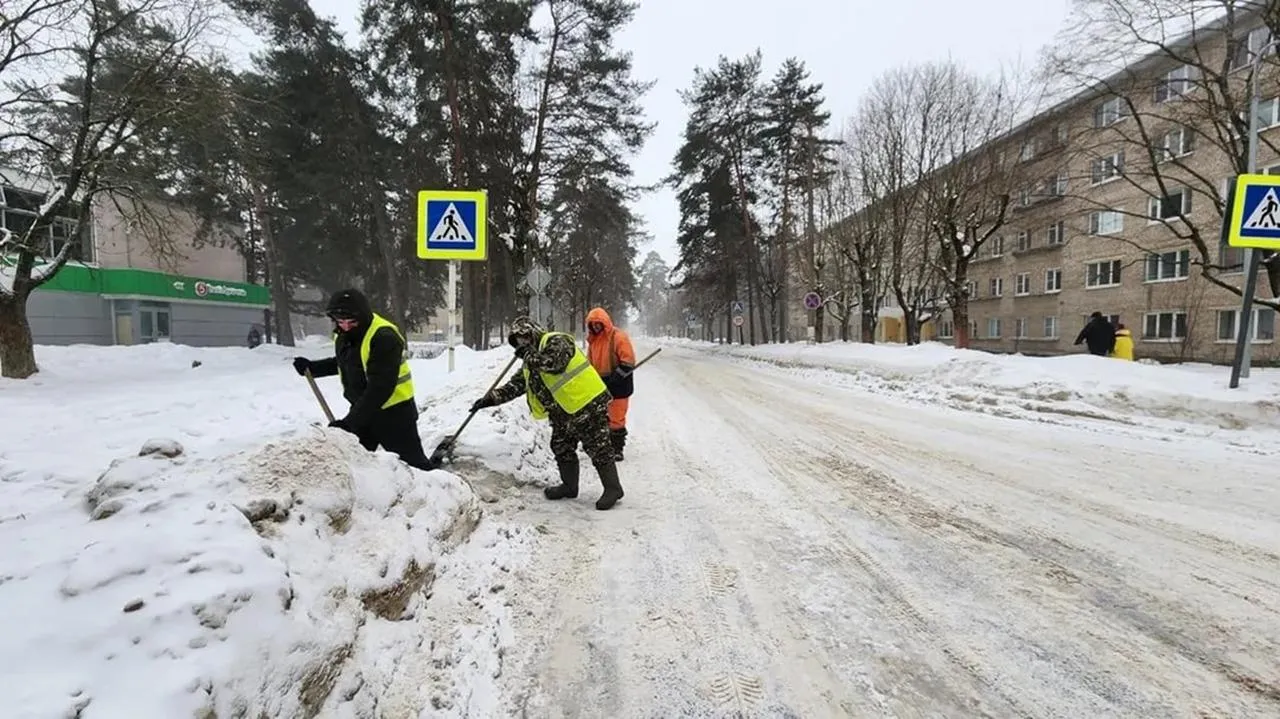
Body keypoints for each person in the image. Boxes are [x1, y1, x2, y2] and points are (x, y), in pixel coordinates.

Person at [470, 316, 625, 510]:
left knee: (597, 446)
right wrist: (489, 400)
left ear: (533, 333)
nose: (522, 343)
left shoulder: (557, 340)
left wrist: (527, 355)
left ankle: (613, 489)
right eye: (518, 341)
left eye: (525, 338)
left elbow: (553, 363)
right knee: (560, 445)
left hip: (588, 404)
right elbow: (516, 386)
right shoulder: (530, 363)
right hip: (563, 411)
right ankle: (569, 486)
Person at [292, 288, 437, 471]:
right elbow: (350, 363)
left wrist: (348, 423)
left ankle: (445, 494)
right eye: (340, 321)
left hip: (394, 415)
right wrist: (314, 368)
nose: (345, 326)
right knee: (355, 467)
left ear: (363, 316)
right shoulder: (344, 334)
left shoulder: (384, 336)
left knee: (416, 468)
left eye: (351, 322)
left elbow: (380, 387)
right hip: (363, 411)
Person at [585, 306, 636, 461]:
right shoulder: (593, 342)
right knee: (600, 417)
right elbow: (589, 364)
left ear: (605, 322)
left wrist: (616, 378)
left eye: (598, 323)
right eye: (592, 324)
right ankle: (603, 444)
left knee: (616, 418)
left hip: (619, 385)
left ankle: (617, 448)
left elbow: (628, 362)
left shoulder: (618, 337)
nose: (595, 326)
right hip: (600, 384)